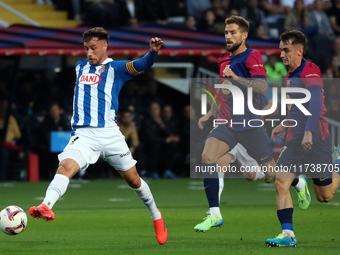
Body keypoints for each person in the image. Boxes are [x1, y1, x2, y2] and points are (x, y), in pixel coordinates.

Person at [28, 27, 167, 245]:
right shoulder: (80, 66)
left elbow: (142, 65)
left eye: (93, 48)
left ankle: (156, 216)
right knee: (65, 166)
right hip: (84, 135)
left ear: (104, 46)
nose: (89, 53)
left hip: (110, 134)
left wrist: (153, 53)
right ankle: (46, 205)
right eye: (86, 48)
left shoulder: (117, 68)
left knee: (133, 180)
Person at [194, 16, 282, 232]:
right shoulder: (223, 59)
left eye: (233, 32)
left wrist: (235, 77)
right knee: (208, 157)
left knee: (267, 174)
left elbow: (261, 87)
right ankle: (214, 214)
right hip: (227, 123)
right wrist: (210, 113)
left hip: (250, 124)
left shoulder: (252, 56)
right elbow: (226, 92)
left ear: (244, 35)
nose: (228, 36)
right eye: (226, 32)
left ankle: (297, 180)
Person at [265, 30, 340, 247]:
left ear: (300, 51)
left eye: (286, 50)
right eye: (280, 49)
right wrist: (283, 123)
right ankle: (288, 234)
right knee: (281, 183)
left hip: (316, 139)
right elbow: (296, 107)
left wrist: (308, 130)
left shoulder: (310, 70)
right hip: (294, 141)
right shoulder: (289, 77)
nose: (281, 54)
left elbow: (315, 101)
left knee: (324, 196)